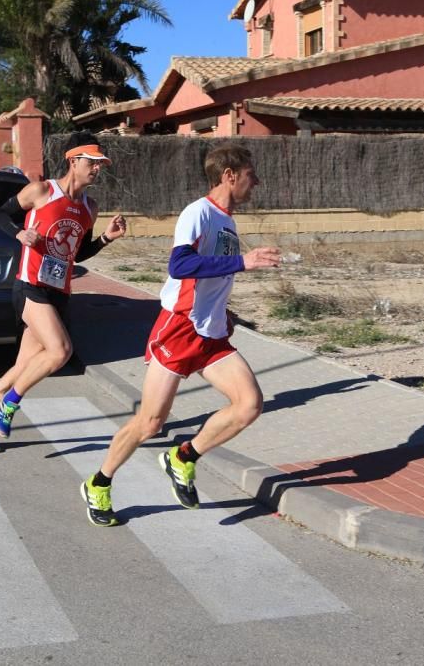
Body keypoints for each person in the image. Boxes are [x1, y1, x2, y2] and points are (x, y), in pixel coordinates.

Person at [80, 144, 281, 526]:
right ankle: (99, 483)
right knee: (150, 423)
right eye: (251, 174)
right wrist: (244, 261)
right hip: (179, 328)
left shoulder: (228, 222)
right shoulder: (198, 212)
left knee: (249, 405)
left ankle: (183, 457)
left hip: (211, 332)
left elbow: (213, 274)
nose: (257, 182)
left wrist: (225, 310)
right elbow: (181, 263)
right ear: (230, 175)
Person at [0, 133, 128, 453]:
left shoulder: (90, 208)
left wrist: (107, 238)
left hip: (58, 292)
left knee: (23, 368)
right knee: (61, 351)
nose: (96, 169)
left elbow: (77, 254)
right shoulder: (41, 191)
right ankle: (10, 405)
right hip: (30, 286)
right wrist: (19, 232)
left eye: (100, 164)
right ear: (73, 160)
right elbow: (1, 215)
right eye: (91, 162)